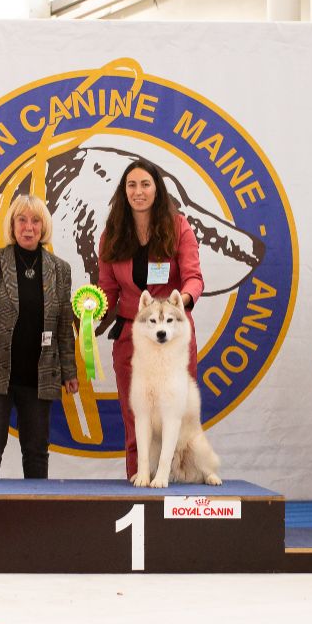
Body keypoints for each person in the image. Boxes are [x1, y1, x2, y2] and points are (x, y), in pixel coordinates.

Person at [0, 194, 78, 479]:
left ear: (43, 227)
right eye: (21, 220)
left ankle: (35, 519)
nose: (28, 227)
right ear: (12, 224)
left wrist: (69, 371)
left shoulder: (61, 269)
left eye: (35, 221)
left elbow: (63, 325)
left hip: (39, 375)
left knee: (36, 451)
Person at [97, 158, 204, 479]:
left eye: (145, 184)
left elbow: (194, 278)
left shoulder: (178, 227)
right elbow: (107, 289)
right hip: (131, 336)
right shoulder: (112, 234)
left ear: (157, 190)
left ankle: (178, 478)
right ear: (123, 191)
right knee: (135, 413)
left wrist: (179, 303)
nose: (138, 191)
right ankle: (138, 478)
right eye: (132, 185)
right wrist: (88, 315)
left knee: (178, 413)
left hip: (172, 335)